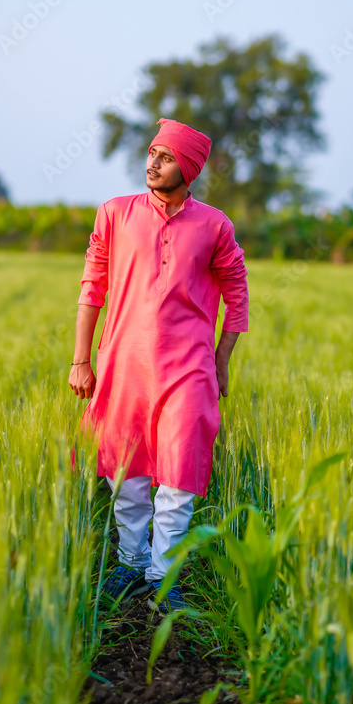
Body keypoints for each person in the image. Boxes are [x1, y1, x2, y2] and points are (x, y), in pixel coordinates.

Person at [69, 118, 249, 613]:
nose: (152, 162)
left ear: (187, 168)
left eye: (165, 157)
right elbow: (92, 288)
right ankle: (130, 564)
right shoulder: (114, 213)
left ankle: (163, 575)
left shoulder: (214, 225)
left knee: (177, 474)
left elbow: (237, 292)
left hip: (189, 367)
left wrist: (222, 360)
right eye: (151, 153)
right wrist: (82, 360)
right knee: (124, 475)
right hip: (123, 364)